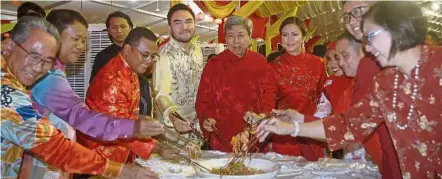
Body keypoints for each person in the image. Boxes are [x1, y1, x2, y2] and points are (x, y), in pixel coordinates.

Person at [256, 2, 441, 178]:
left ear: (395, 27)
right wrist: (291, 127)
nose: (367, 47)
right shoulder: (385, 81)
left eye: (370, 36)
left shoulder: (437, 66)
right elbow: (348, 125)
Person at [1, 16, 155, 179]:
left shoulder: (33, 74)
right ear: (9, 46)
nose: (38, 68)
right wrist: (121, 170)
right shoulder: (7, 89)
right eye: (33, 56)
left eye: (47, 61)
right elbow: (57, 143)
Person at [77, 27, 171, 166]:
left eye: (153, 56)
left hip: (121, 149)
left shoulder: (128, 69)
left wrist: (141, 118)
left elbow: (126, 113)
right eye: (145, 54)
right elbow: (120, 126)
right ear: (127, 49)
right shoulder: (113, 81)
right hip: (102, 155)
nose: (149, 61)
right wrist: (159, 149)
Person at [195, 15, 277, 152]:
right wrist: (208, 118)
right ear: (225, 39)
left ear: (249, 38)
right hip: (222, 133)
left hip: (254, 132)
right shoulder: (214, 65)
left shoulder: (261, 62)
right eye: (231, 36)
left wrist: (263, 116)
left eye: (241, 35)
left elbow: (270, 93)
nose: (236, 41)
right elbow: (203, 100)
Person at [341, 1, 401, 178]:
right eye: (346, 16)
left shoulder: (432, 60)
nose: (351, 20)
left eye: (358, 10)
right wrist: (296, 125)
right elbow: (353, 122)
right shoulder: (368, 64)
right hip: (393, 166)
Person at [268, 17, 327, 161]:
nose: (289, 39)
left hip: (311, 129)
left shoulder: (318, 63)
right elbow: (268, 100)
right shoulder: (274, 67)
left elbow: (325, 100)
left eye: (294, 34)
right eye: (285, 35)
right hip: (284, 132)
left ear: (304, 37)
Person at [153, 3, 204, 145]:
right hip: (173, 134)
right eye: (178, 23)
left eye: (189, 21)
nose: (185, 27)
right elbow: (160, 94)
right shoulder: (163, 55)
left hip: (197, 130)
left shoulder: (197, 50)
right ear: (169, 27)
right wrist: (174, 118)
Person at [89, 11, 154, 116]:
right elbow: (95, 85)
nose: (119, 31)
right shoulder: (102, 56)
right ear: (109, 31)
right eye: (114, 27)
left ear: (130, 28)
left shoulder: (143, 50)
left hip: (142, 98)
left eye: (123, 26)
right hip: (116, 107)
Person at [323, 41, 353, 111]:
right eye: (329, 59)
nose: (332, 64)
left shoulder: (357, 81)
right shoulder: (326, 82)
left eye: (337, 58)